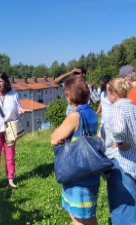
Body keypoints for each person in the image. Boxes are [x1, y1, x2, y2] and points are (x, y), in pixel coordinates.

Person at [51, 76, 100, 225]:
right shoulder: (92, 113)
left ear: (70, 96)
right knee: (88, 215)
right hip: (90, 169)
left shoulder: (74, 115)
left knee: (78, 218)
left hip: (77, 172)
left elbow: (54, 138)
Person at [103, 77, 136, 225]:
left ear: (113, 93)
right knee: (131, 201)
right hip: (134, 161)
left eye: (107, 93)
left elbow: (119, 129)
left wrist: (119, 142)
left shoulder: (117, 108)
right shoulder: (135, 109)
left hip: (120, 161)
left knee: (121, 204)